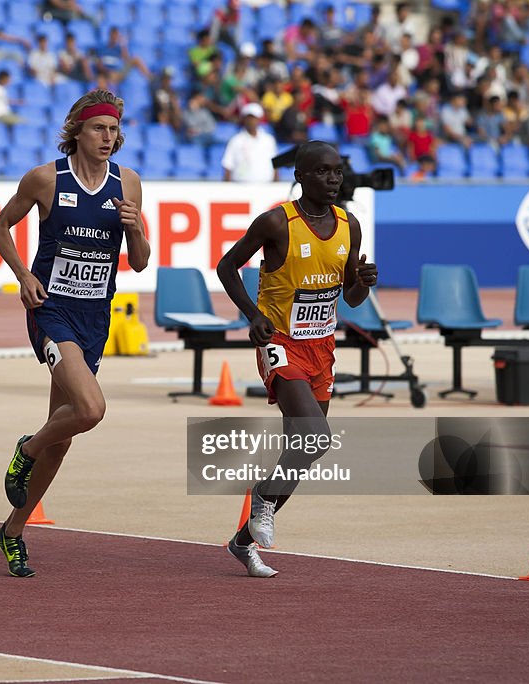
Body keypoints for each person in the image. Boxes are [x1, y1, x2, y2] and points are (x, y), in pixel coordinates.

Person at [0, 89, 150, 577]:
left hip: (94, 319)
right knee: (90, 409)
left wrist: (136, 228)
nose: (109, 137)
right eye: (100, 128)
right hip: (51, 310)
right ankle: (26, 449)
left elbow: (140, 263)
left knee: (64, 436)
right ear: (77, 131)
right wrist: (24, 275)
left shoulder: (128, 184)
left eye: (115, 129)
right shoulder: (45, 179)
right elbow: (0, 228)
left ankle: (11, 531)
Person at [216, 141, 378, 577]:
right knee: (316, 436)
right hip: (280, 341)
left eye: (338, 172)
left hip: (321, 347)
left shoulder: (350, 225)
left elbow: (352, 297)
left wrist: (363, 282)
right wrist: (252, 316)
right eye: (323, 172)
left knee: (301, 451)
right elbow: (227, 267)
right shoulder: (276, 222)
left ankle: (242, 542)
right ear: (301, 177)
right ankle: (263, 497)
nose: (333, 180)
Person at [221, 102, 278, 182]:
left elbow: (275, 166)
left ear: (259, 119)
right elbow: (228, 166)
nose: (251, 121)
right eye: (248, 118)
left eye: (254, 118)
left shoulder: (269, 140)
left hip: (266, 188)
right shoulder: (236, 140)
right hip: (241, 188)